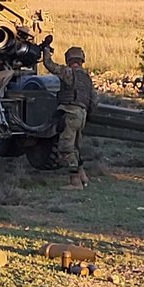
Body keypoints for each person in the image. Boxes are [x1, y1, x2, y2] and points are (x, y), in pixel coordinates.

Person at [43, 45, 98, 190]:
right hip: (82, 114)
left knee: (66, 148)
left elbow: (49, 65)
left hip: (70, 112)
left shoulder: (68, 72)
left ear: (68, 59)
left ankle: (75, 182)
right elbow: (94, 100)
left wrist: (46, 51)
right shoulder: (87, 78)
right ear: (82, 59)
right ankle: (83, 176)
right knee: (76, 147)